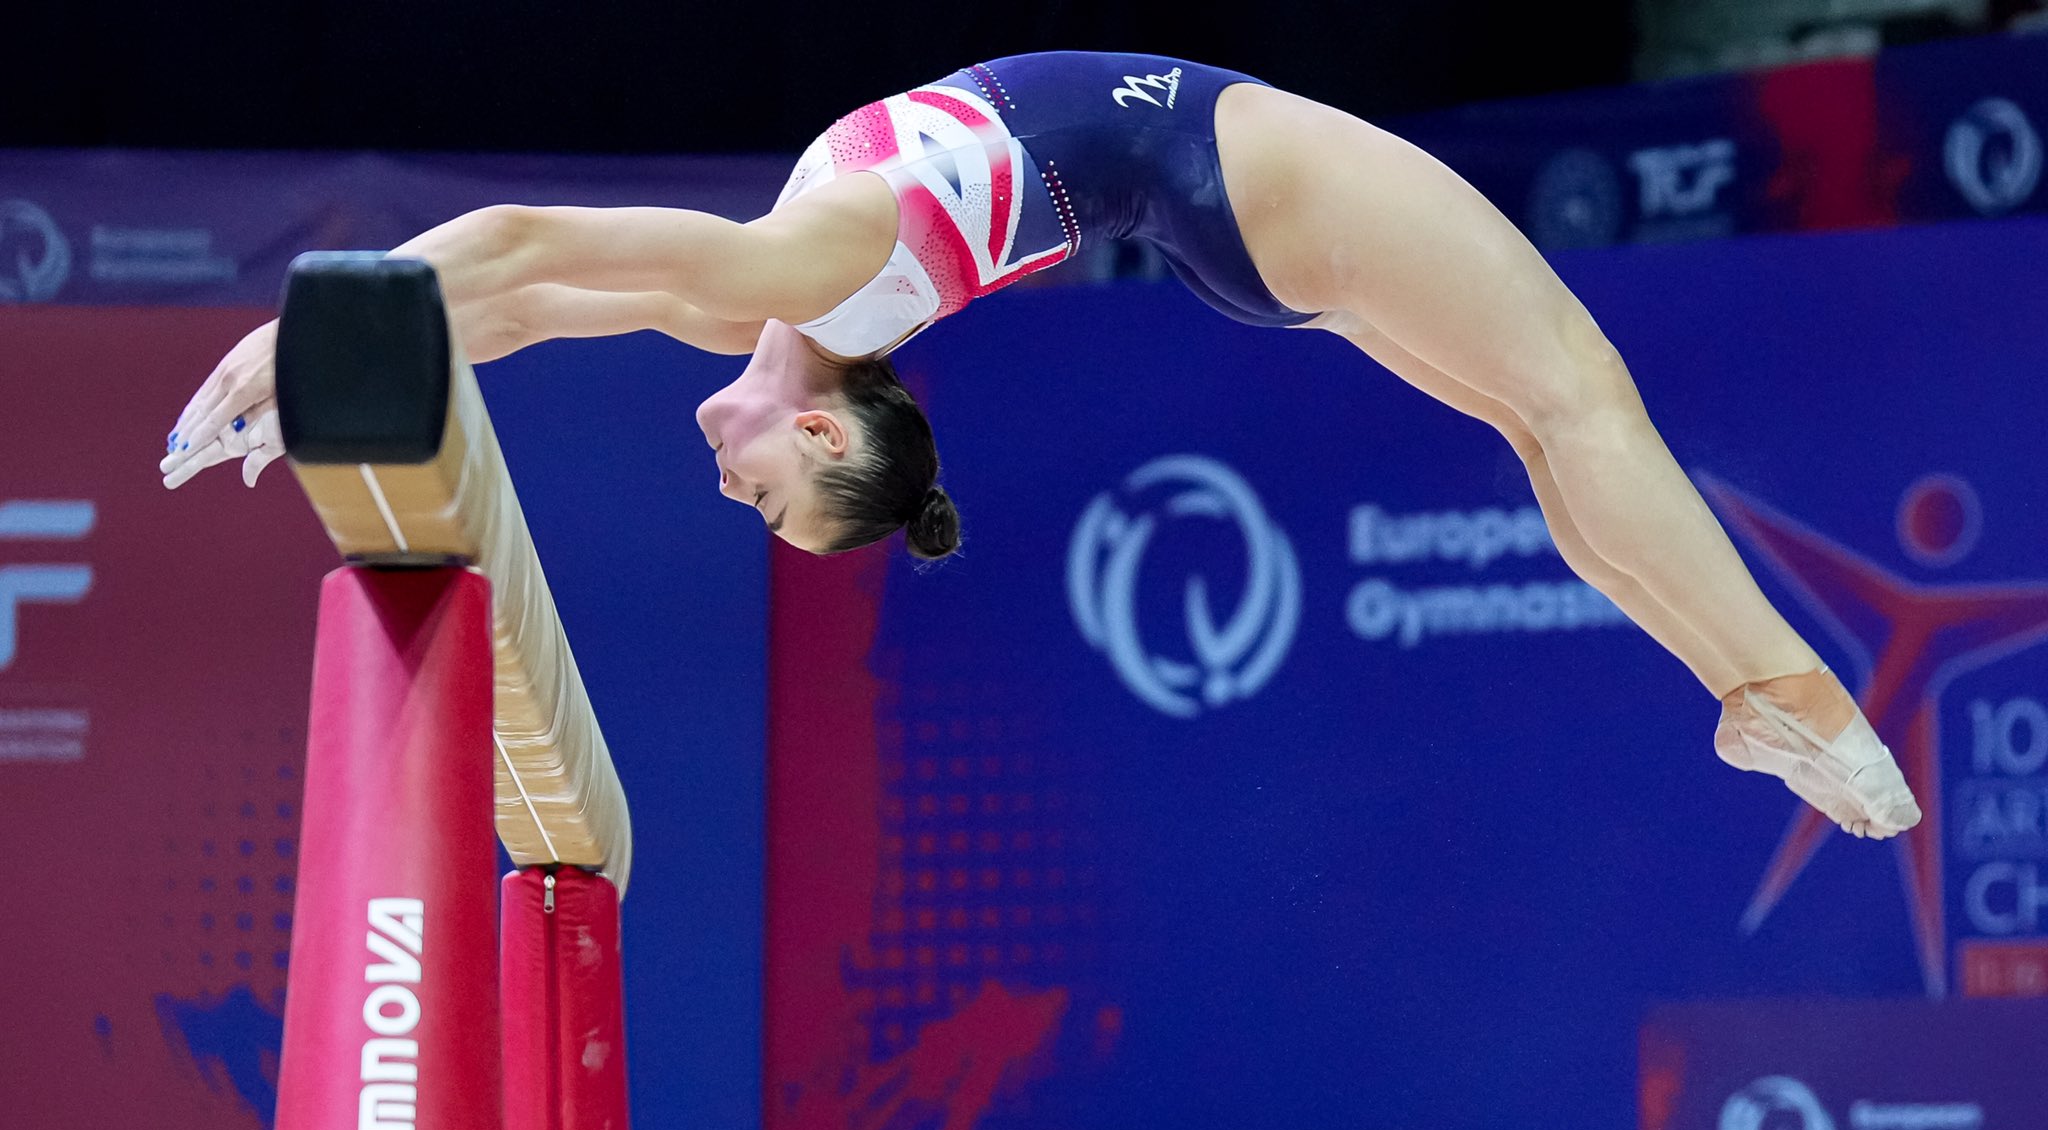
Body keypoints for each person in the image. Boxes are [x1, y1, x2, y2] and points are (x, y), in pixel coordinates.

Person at [158, 51, 1922, 838]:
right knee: (1577, 396)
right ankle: (1798, 698)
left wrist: (317, 359)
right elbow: (525, 254)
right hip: (1240, 168)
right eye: (773, 500)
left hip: (1210, 207)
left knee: (1550, 429)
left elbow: (524, 294)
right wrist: (321, 344)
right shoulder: (801, 273)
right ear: (826, 423)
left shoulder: (755, 297)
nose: (730, 486)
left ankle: (1762, 703)